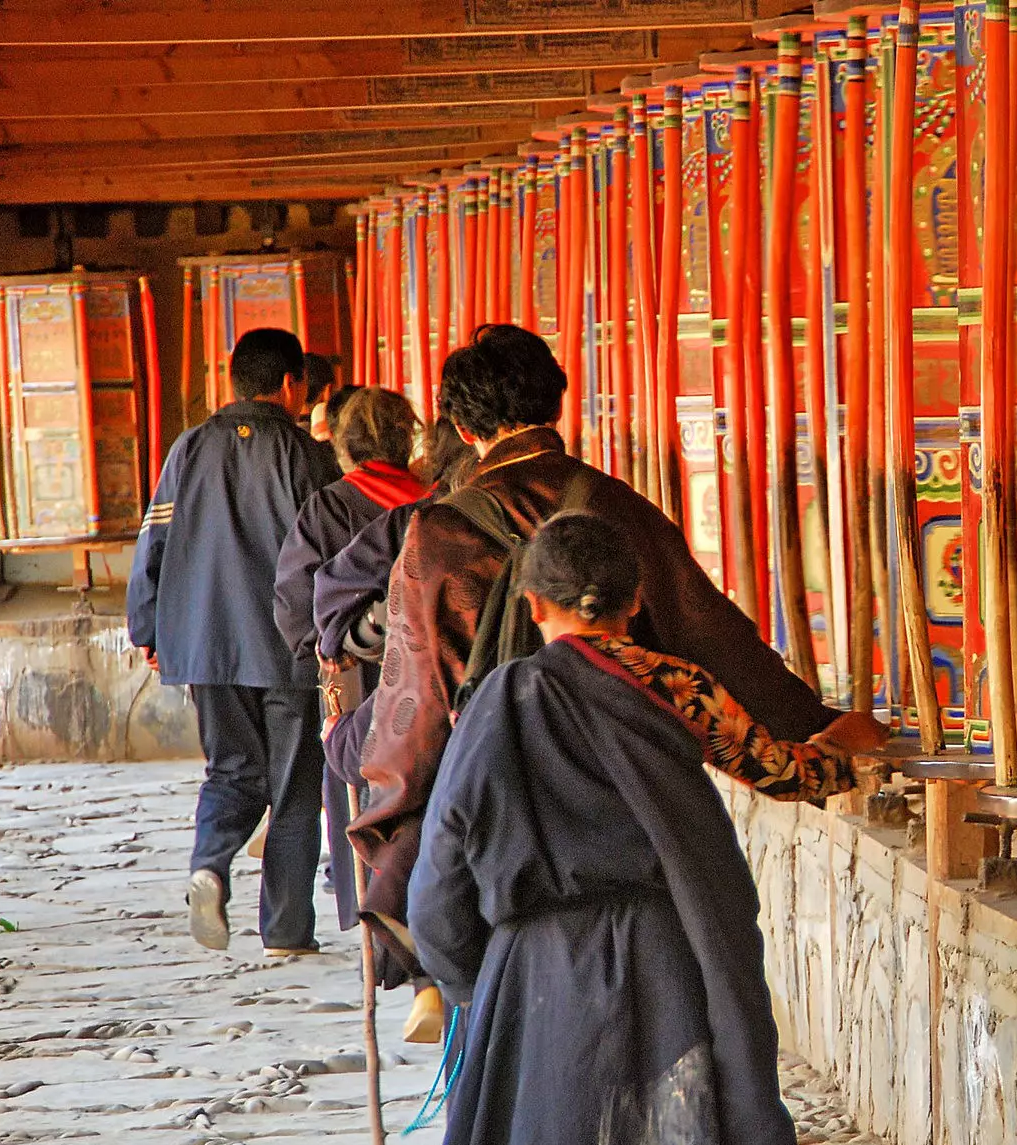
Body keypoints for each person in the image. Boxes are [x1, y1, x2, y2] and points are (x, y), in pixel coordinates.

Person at [398, 513, 871, 1145]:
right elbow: (783, 768)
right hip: (662, 946)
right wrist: (851, 751)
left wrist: (467, 976)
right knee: (657, 1137)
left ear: (534, 605)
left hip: (535, 958)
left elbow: (443, 859)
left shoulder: (503, 698)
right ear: (637, 600)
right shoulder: (678, 686)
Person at [349, 324, 887, 982]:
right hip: (632, 825)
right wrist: (818, 730)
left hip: (497, 821)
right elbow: (713, 638)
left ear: (462, 428)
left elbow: (415, 699)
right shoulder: (619, 510)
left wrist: (400, 836)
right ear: (557, 403)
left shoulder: (436, 533)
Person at [126, 327, 342, 956]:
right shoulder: (307, 455)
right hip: (287, 648)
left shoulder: (188, 448)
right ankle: (285, 932)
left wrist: (148, 627)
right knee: (296, 785)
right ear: (290, 385)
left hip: (207, 644)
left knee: (230, 768)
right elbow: (333, 556)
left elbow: (153, 543)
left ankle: (210, 864)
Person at [272, 388, 431, 939]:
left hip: (356, 679)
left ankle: (376, 912)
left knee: (363, 787)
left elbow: (295, 600)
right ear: (407, 440)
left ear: (343, 447)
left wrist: (321, 655)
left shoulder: (329, 507)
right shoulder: (440, 503)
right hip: (436, 677)